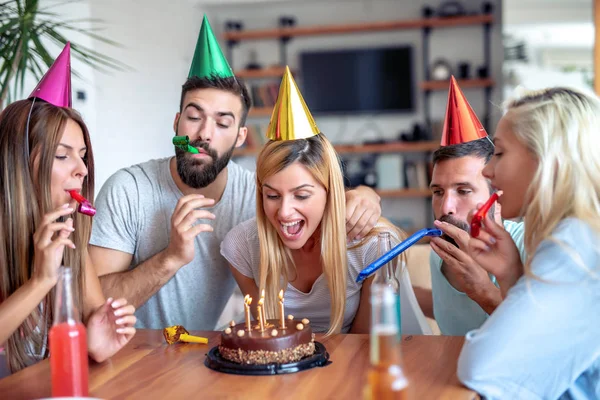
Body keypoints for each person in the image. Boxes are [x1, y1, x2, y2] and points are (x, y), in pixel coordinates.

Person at [89, 17, 381, 331]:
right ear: (176, 124)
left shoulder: (257, 193)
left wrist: (362, 195)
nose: (203, 133)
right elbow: (94, 308)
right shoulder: (127, 190)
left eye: (222, 122)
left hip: (201, 356)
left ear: (241, 137)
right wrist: (170, 257)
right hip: (129, 357)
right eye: (193, 117)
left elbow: (305, 196)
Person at [220, 68, 408, 334]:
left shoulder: (372, 247)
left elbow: (364, 345)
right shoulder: (241, 247)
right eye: (272, 195)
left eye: (302, 195)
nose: (284, 212)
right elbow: (267, 339)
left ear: (330, 191)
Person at [0, 43, 136, 376]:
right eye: (63, 156)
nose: (83, 170)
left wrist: (98, 341)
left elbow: (94, 325)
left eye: (83, 156)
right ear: (18, 164)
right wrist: (40, 281)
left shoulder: (69, 240)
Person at [457, 87, 600, 399]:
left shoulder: (574, 244)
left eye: (500, 153)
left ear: (547, 160)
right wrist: (510, 274)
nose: (487, 169)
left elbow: (482, 368)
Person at [414, 77, 525, 335]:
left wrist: (483, 291)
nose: (447, 207)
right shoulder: (439, 254)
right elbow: (452, 313)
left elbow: (540, 343)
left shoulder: (529, 248)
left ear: (496, 195)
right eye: (438, 192)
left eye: (463, 191)